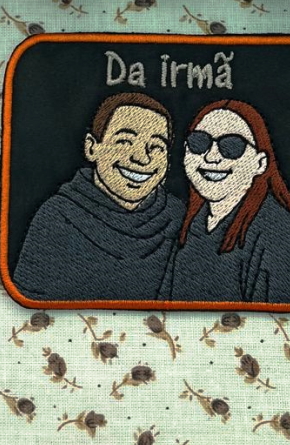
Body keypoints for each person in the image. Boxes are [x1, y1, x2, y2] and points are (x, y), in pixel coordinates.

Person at [13, 92, 184, 301]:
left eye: (157, 146)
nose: (141, 158)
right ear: (92, 148)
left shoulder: (178, 218)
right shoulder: (58, 217)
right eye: (124, 141)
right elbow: (34, 306)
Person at [163, 99, 290, 304]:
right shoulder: (192, 224)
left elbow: (285, 315)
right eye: (199, 143)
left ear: (260, 163)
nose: (212, 157)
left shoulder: (276, 229)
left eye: (232, 146)